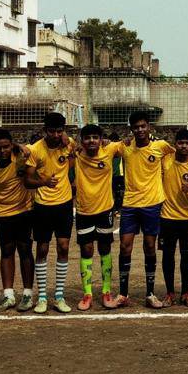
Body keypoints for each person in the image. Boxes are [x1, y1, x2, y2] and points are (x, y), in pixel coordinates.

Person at [118, 111, 175, 308]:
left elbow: (181, 153)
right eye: (136, 127)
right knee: (125, 246)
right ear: (131, 129)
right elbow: (102, 147)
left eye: (143, 126)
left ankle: (150, 294)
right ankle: (123, 293)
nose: (140, 130)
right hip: (130, 204)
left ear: (148, 127)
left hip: (152, 204)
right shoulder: (124, 148)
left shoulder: (160, 147)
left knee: (150, 247)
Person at [0, 128, 40, 312]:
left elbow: (30, 152)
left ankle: (28, 294)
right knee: (6, 251)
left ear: (11, 145)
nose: (3, 151)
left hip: (24, 211)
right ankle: (8, 295)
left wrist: (19, 146)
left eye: (6, 146)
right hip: (2, 213)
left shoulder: (21, 155)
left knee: (25, 250)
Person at [24, 112, 76, 313]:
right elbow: (27, 180)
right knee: (42, 249)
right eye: (52, 131)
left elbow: (76, 146)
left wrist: (68, 140)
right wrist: (44, 182)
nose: (56, 135)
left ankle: (59, 296)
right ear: (44, 130)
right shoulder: (36, 150)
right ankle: (43, 297)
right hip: (42, 205)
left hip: (64, 205)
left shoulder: (68, 143)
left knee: (63, 247)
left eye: (59, 131)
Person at [71, 124, 126, 310]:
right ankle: (87, 294)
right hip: (84, 211)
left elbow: (129, 143)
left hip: (105, 210)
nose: (91, 141)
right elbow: (62, 139)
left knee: (104, 248)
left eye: (95, 137)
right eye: (87, 138)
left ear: (101, 138)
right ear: (82, 141)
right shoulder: (76, 152)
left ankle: (106, 291)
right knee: (86, 250)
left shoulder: (109, 149)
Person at [160, 128, 188, 307]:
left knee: (186, 256)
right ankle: (170, 293)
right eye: (180, 143)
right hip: (166, 216)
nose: (184, 146)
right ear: (175, 144)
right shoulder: (165, 160)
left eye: (187, 143)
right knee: (168, 256)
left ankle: (185, 293)